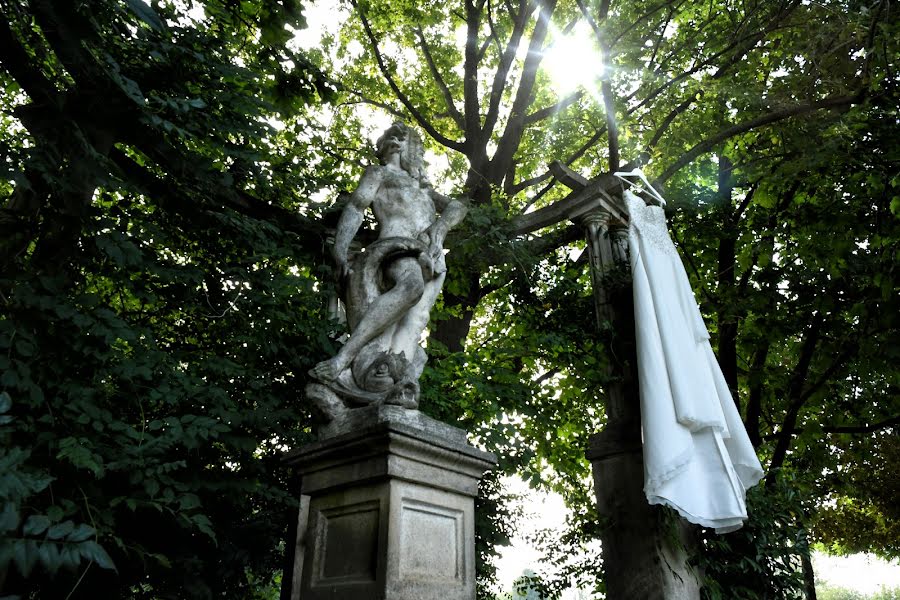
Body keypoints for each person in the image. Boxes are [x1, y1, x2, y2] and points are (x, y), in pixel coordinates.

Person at [311, 123, 466, 399]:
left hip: (429, 256)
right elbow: (356, 207)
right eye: (390, 136)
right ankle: (343, 359)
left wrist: (439, 230)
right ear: (382, 148)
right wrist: (340, 249)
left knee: (412, 324)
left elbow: (458, 207)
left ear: (413, 149)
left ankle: (391, 377)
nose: (396, 139)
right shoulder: (379, 173)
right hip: (396, 247)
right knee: (410, 288)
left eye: (402, 137)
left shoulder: (424, 189)